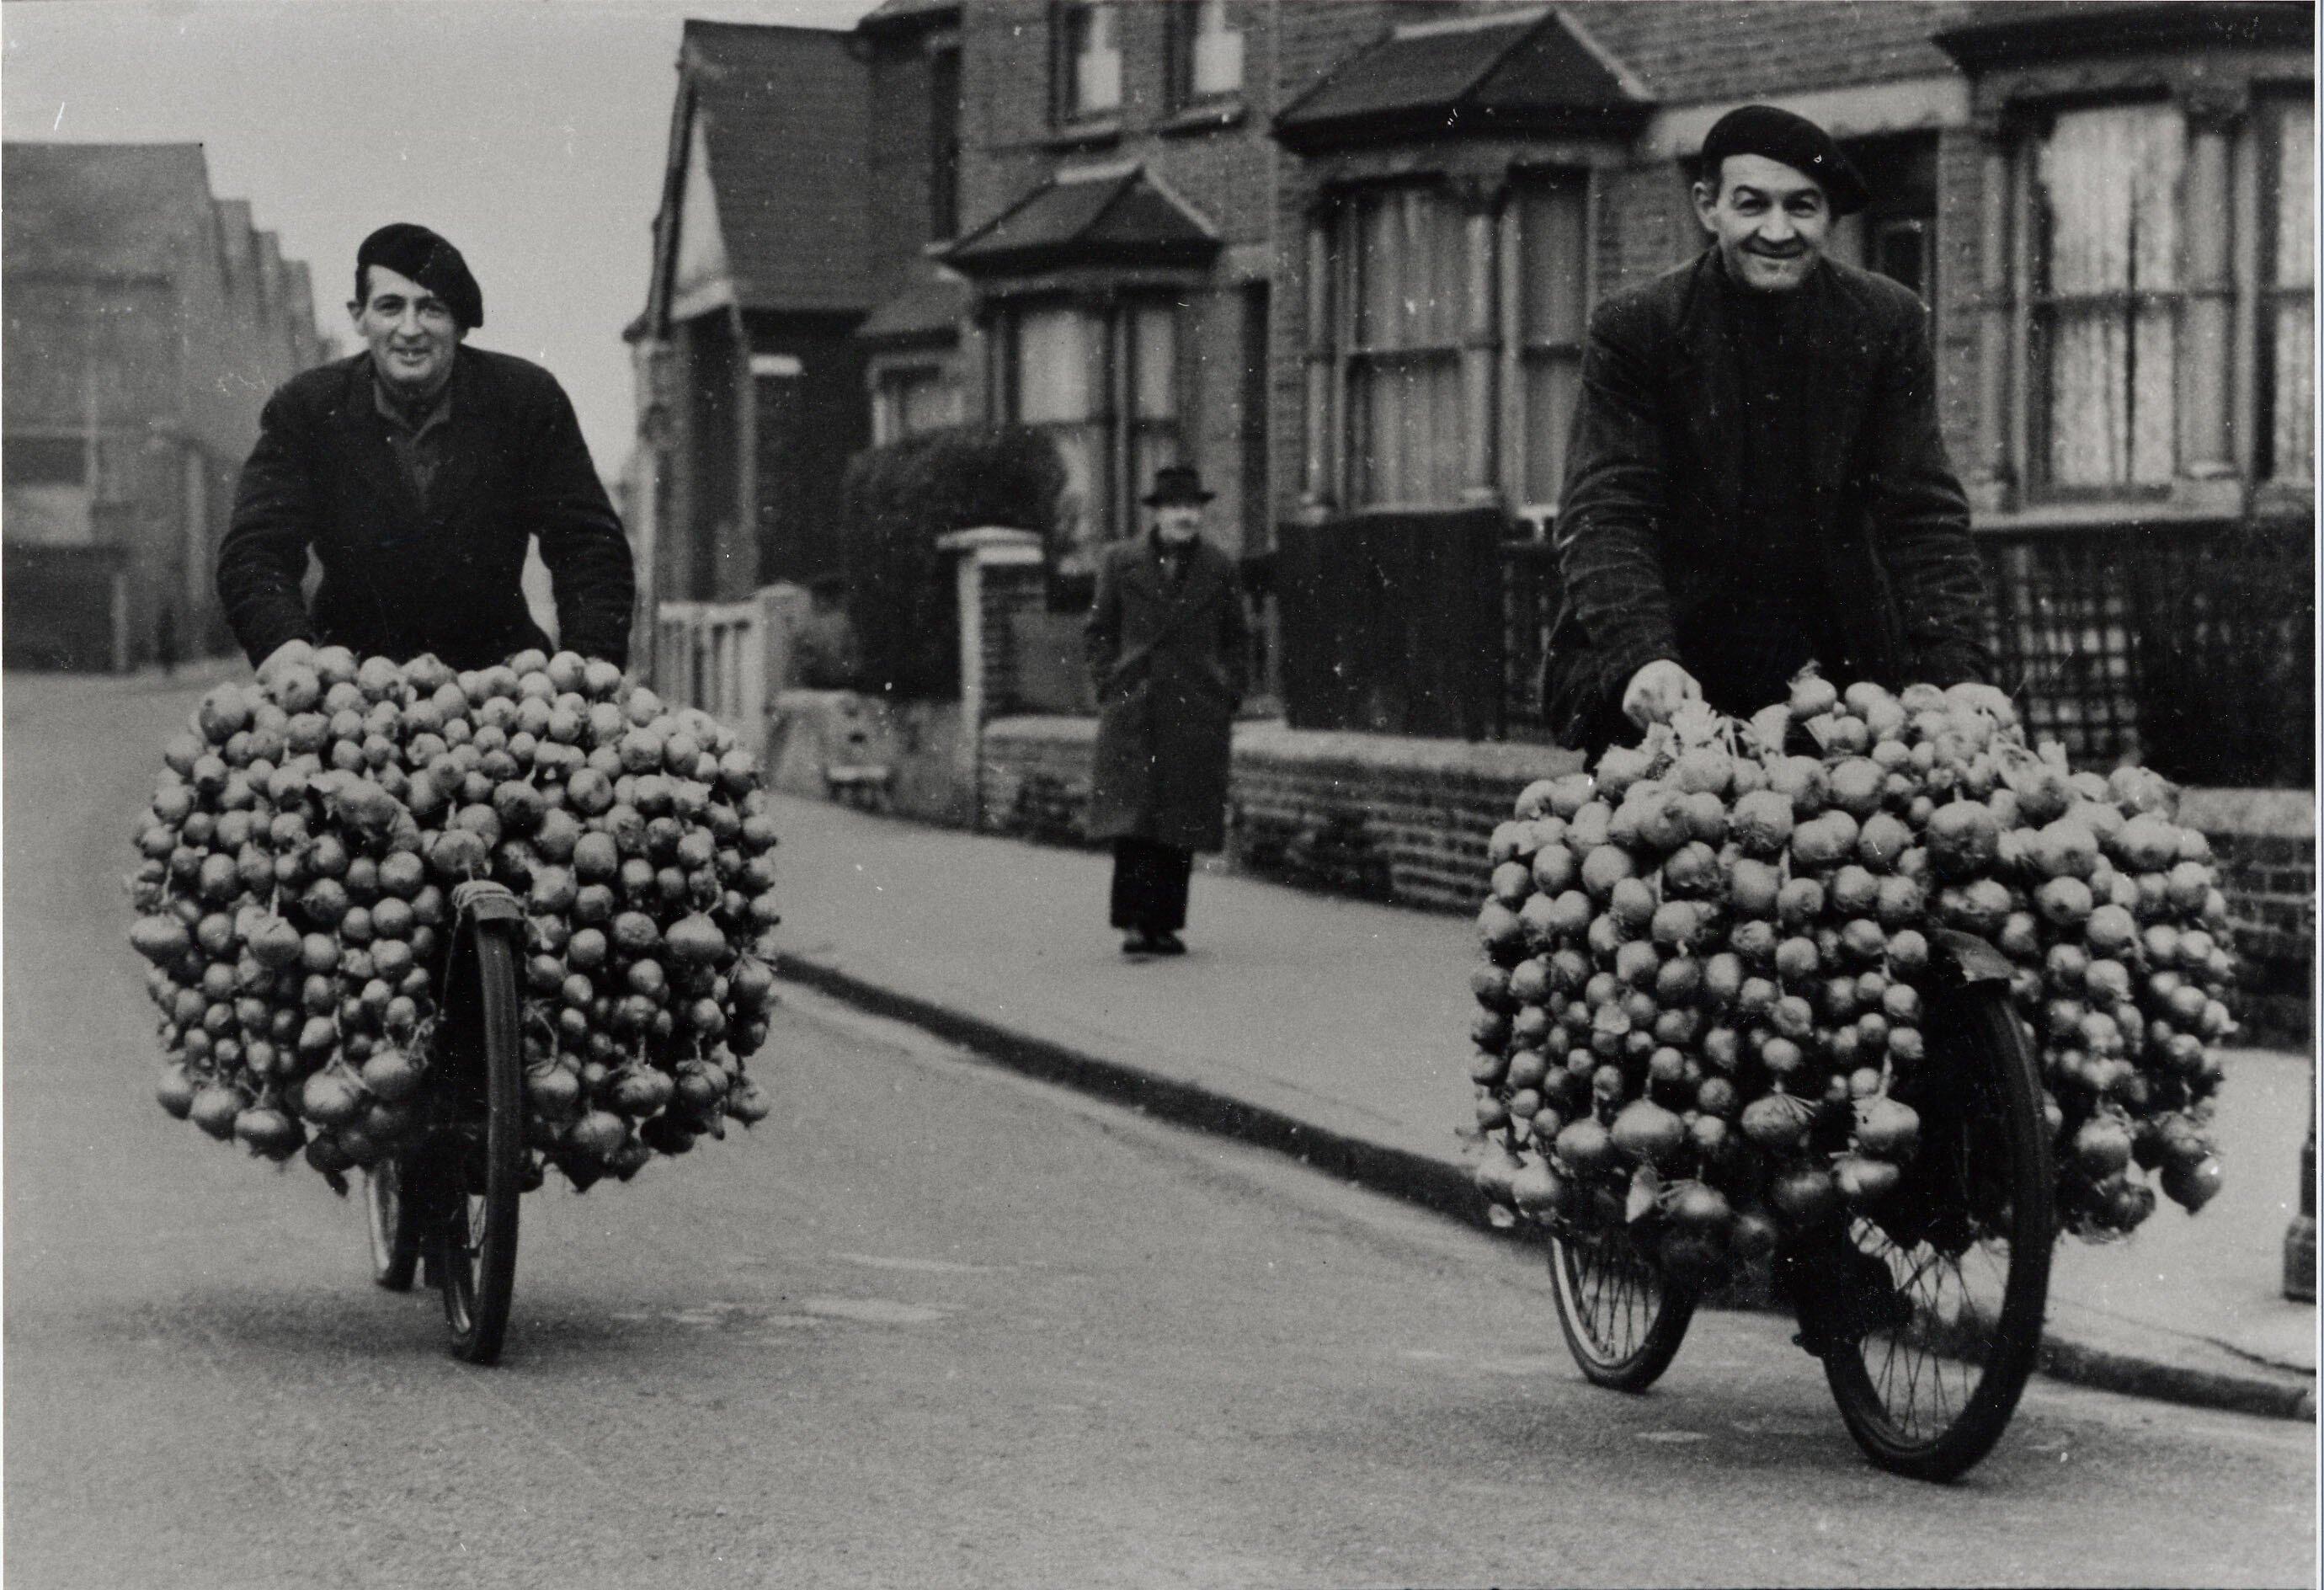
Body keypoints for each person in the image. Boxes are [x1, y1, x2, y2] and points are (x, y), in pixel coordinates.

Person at [1541, 104, 1991, 758]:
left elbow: (1921, 515)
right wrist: (1643, 656)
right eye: (1752, 205)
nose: (1777, 231)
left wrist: (1955, 673)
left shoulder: (1884, 323)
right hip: (1678, 681)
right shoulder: (1638, 328)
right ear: (1707, 206)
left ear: (1829, 217)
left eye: (1802, 208)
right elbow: (1606, 510)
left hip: (1836, 686)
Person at [216, 222, 634, 674]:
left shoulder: (526, 400)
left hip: (501, 684)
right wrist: (282, 643)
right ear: (359, 316)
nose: (410, 329)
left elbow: (589, 543)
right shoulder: (307, 408)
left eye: (432, 309)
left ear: (459, 324)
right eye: (390, 307)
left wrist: (590, 655)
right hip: (348, 684)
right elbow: (256, 546)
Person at [1084, 465, 1249, 958]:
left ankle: (1165, 924)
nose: (1186, 516)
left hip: (1195, 708)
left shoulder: (1219, 567)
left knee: (1181, 820)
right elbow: (1098, 631)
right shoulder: (1121, 561)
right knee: (1134, 820)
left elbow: (1237, 639)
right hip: (1136, 705)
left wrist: (1227, 692)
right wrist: (1110, 683)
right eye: (1176, 507)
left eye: (1193, 508)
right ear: (1157, 513)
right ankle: (1134, 923)